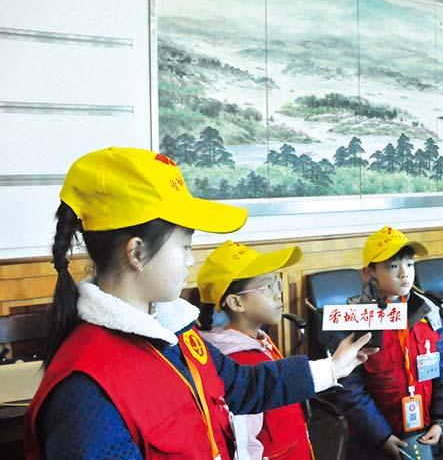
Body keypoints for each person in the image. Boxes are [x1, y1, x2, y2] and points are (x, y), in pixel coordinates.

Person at [24, 147, 375, 459]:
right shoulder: (85, 393)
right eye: (185, 246)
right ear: (137, 252)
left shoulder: (176, 335)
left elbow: (241, 385)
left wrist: (333, 367)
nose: (191, 260)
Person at [331, 226, 443, 459]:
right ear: (368, 273)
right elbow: (350, 388)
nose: (404, 273)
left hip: (424, 430)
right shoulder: (354, 319)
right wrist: (381, 436)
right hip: (373, 441)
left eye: (410, 264)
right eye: (392, 266)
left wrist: (440, 419)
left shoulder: (428, 311)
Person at [197, 240, 313, 460]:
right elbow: (244, 447)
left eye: (277, 283)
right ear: (236, 303)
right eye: (267, 287)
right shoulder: (238, 363)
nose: (278, 294)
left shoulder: (256, 340)